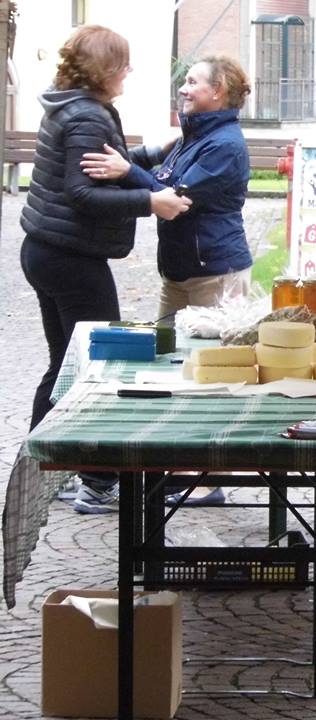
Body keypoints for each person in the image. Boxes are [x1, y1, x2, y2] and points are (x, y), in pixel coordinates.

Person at [19, 25, 191, 514]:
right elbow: (82, 193)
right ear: (104, 69)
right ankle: (97, 482)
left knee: (65, 365)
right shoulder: (87, 115)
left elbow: (100, 165)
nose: (128, 71)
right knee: (99, 365)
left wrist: (148, 156)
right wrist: (150, 201)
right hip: (70, 258)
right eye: (123, 63)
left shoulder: (72, 106)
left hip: (46, 250)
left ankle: (44, 469)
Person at [81, 55, 255, 506]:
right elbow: (161, 174)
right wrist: (130, 163)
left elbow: (175, 196)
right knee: (168, 366)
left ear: (218, 91)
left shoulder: (224, 145)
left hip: (216, 274)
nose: (183, 87)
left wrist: (127, 173)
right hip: (179, 272)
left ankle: (210, 479)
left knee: (212, 378)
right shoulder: (194, 135)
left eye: (193, 81)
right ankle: (180, 467)